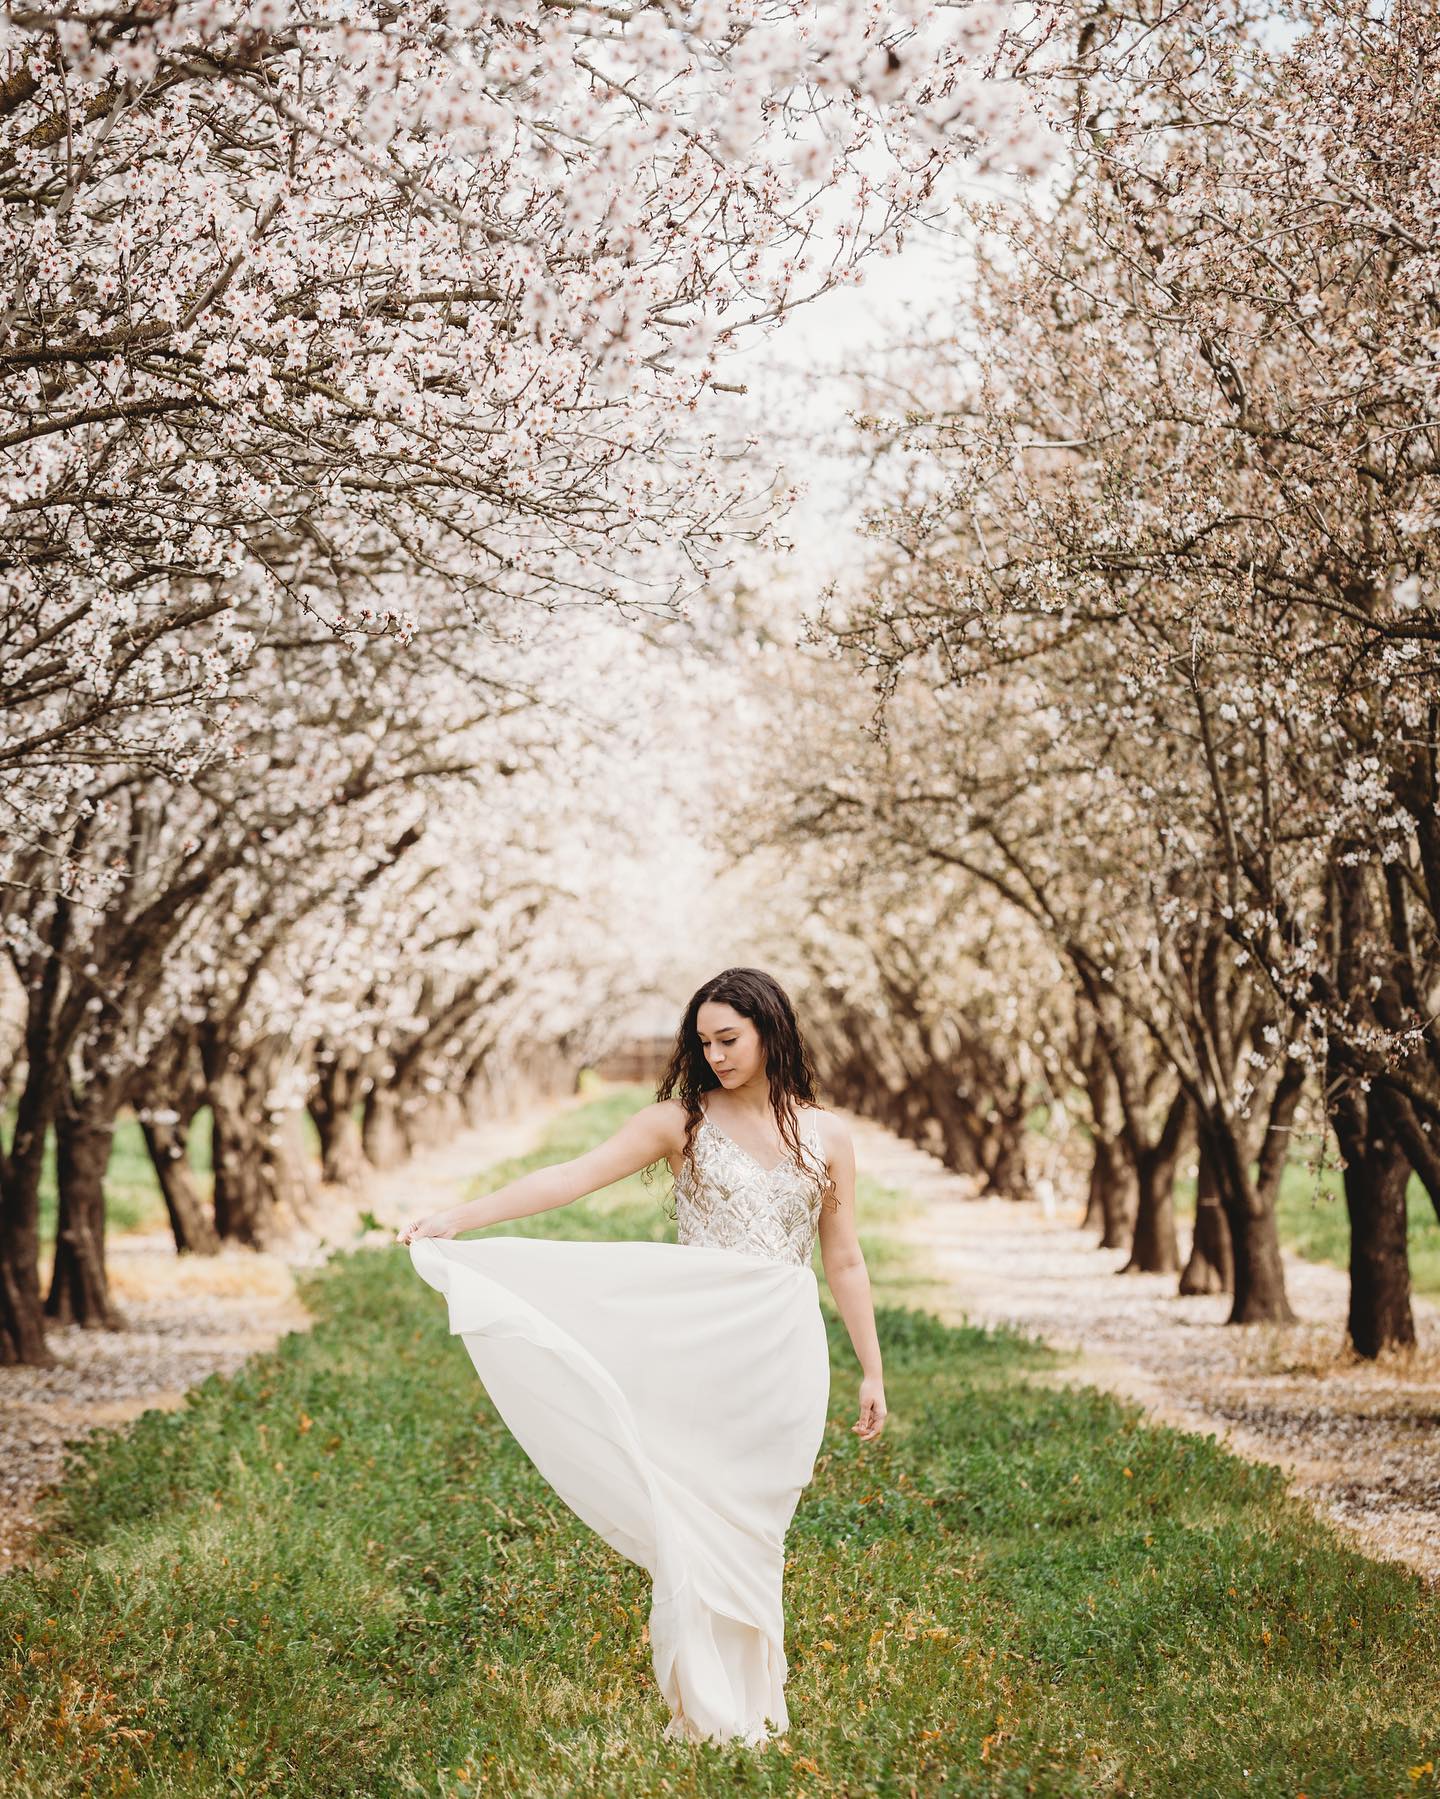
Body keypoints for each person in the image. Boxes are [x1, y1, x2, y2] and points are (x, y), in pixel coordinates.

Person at [396, 966, 888, 1749]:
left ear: (772, 1029)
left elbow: (846, 1256)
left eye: (730, 1038)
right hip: (698, 1341)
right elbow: (572, 1176)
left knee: (759, 1524)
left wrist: (871, 1366)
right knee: (691, 1515)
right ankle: (706, 1706)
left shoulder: (828, 1135)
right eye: (704, 1041)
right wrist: (461, 1216)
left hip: (783, 1351)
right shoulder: (680, 1121)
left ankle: (757, 1700)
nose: (716, 1054)